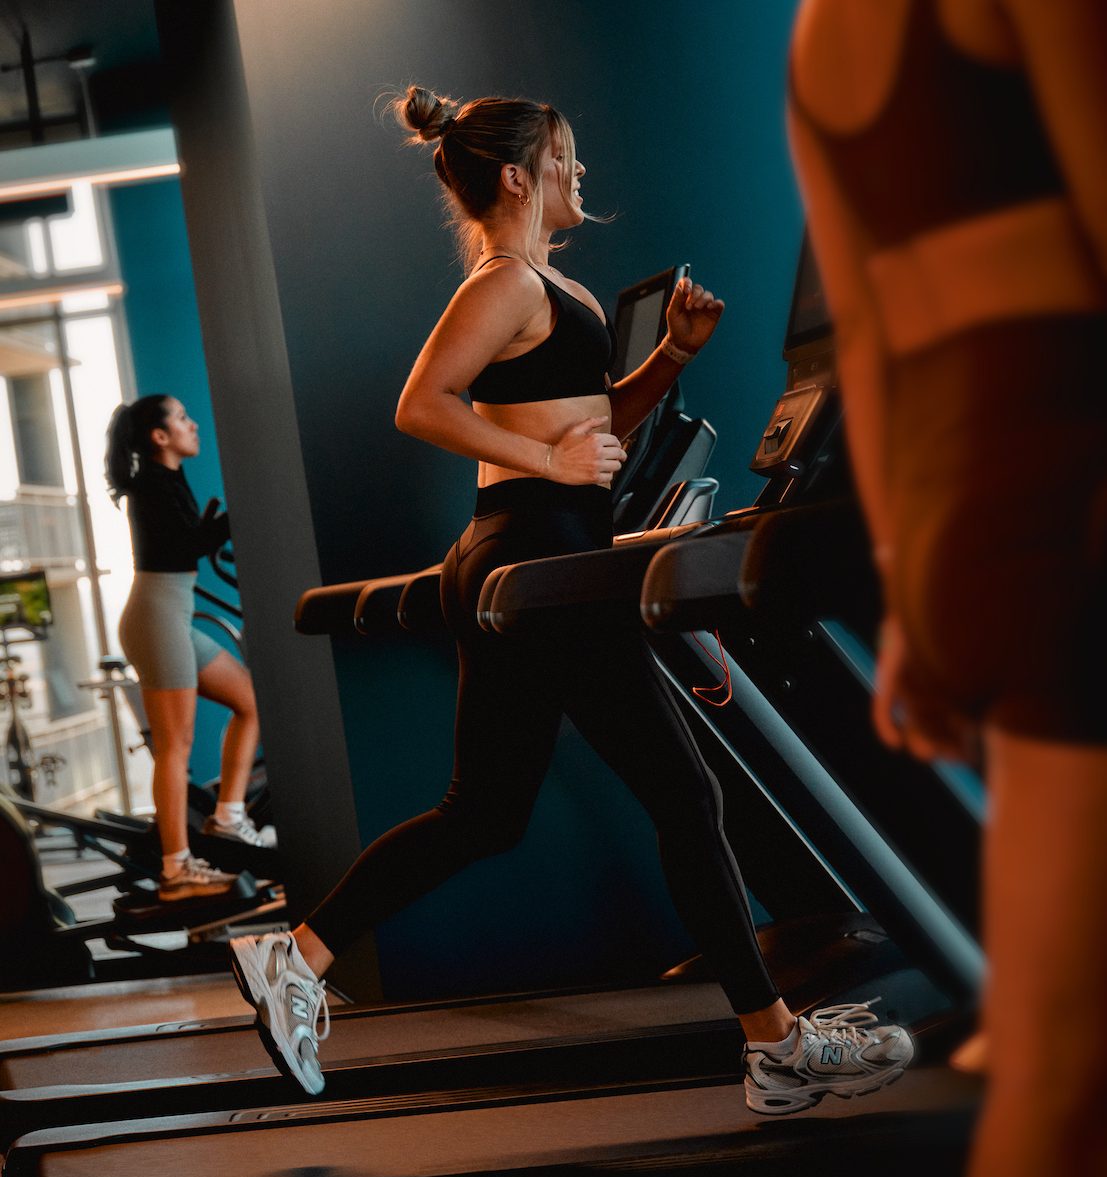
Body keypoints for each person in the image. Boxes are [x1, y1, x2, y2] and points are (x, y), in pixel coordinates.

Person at [230, 86, 913, 1106]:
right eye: (566, 157)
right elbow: (424, 404)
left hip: (538, 548)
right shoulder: (504, 281)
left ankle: (300, 957)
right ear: (518, 175)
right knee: (684, 797)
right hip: (529, 552)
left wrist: (672, 358)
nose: (580, 172)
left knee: (486, 813)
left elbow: (598, 432)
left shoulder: (565, 293)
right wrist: (541, 462)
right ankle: (773, 1044)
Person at [787, 2, 1107, 1177]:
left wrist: (915, 601)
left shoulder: (821, 37)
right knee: (1067, 1076)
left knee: (1057, 1068)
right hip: (1073, 482)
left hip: (976, 516)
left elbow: (867, 346)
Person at [106, 392, 271, 904]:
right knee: (174, 748)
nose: (193, 424)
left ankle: (228, 817)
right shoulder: (151, 486)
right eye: (182, 418)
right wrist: (236, 510)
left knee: (250, 700)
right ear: (160, 437)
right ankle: (176, 870)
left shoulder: (166, 480)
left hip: (170, 615)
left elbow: (186, 543)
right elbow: (183, 547)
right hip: (157, 620)